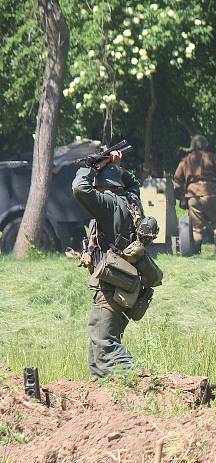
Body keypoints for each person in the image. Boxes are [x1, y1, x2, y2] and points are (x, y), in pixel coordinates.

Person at [72, 150, 140, 377]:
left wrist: (92, 165)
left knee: (105, 344)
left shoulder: (108, 204)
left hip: (110, 287)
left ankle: (138, 383)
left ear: (101, 186)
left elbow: (80, 188)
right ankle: (104, 397)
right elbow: (133, 183)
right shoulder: (131, 200)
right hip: (125, 284)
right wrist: (117, 166)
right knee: (97, 350)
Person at [173, 134, 216, 255]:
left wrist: (181, 197)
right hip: (211, 193)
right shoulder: (211, 157)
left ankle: (196, 252)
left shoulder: (185, 161)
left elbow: (177, 181)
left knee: (196, 228)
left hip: (193, 196)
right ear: (205, 144)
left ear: (192, 146)